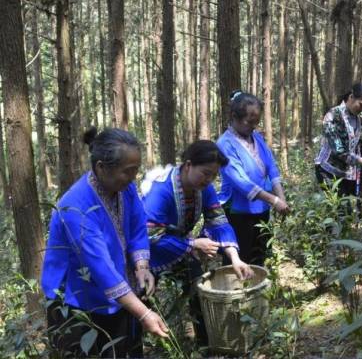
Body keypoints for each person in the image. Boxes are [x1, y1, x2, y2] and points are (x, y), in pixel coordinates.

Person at [42, 127, 168, 358]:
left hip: (117, 292)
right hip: (76, 301)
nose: (133, 178)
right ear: (101, 167)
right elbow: (100, 268)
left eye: (136, 171)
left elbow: (138, 226)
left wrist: (141, 268)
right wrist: (144, 314)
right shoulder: (76, 207)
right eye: (128, 171)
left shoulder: (125, 188)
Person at [141, 140, 254, 347]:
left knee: (198, 291)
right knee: (144, 299)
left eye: (214, 175)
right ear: (188, 165)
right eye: (205, 173)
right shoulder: (161, 191)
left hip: (180, 246)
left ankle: (205, 345)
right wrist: (193, 244)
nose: (209, 179)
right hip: (148, 252)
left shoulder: (204, 187)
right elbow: (150, 236)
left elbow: (218, 221)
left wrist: (235, 258)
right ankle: (155, 344)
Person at [217, 91, 290, 267]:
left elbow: (271, 167)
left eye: (256, 122)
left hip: (262, 209)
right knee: (239, 258)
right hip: (238, 212)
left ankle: (256, 291)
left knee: (259, 256)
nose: (253, 126)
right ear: (234, 117)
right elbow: (241, 182)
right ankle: (235, 292)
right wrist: (274, 200)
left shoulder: (257, 138)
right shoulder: (224, 144)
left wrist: (281, 198)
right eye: (249, 122)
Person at [314, 83, 362, 198]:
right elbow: (340, 151)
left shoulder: (361, 118)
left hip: (348, 173)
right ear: (351, 97)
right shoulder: (333, 116)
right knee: (339, 211)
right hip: (328, 171)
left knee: (350, 210)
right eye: (361, 105)